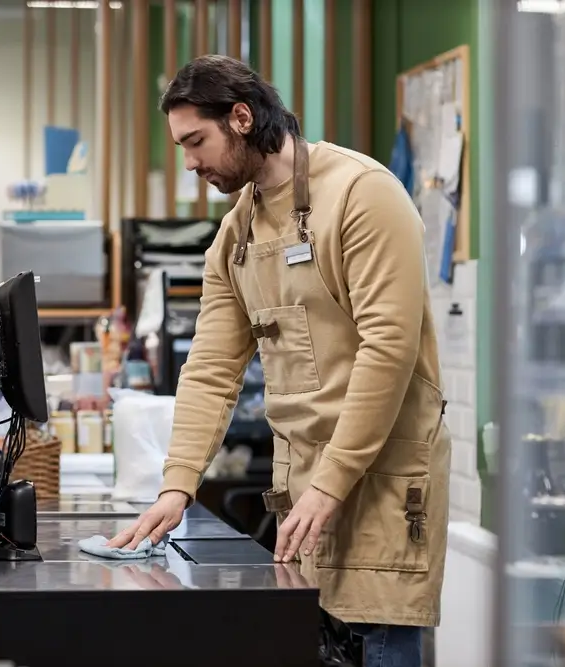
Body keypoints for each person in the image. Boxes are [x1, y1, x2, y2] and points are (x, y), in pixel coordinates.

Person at [108, 55, 450, 667]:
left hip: (381, 478)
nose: (190, 163)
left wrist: (332, 480)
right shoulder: (234, 236)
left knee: (379, 640)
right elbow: (211, 367)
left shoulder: (361, 195)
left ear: (241, 118)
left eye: (196, 142)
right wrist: (176, 484)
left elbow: (388, 348)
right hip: (303, 489)